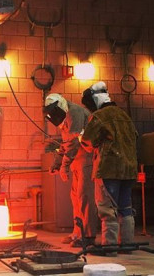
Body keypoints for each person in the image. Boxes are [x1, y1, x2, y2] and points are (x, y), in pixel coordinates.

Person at [80, 81, 138, 256]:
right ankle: (127, 246)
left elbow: (88, 142)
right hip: (129, 170)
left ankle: (110, 248)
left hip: (108, 169)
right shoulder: (124, 115)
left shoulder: (99, 117)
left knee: (108, 211)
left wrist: (81, 138)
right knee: (125, 209)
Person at [43, 93, 98, 247]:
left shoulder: (75, 113)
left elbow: (74, 142)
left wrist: (64, 166)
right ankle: (77, 233)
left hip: (87, 159)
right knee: (76, 198)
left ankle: (88, 236)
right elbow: (65, 143)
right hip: (76, 161)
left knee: (85, 198)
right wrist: (57, 162)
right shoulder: (63, 115)